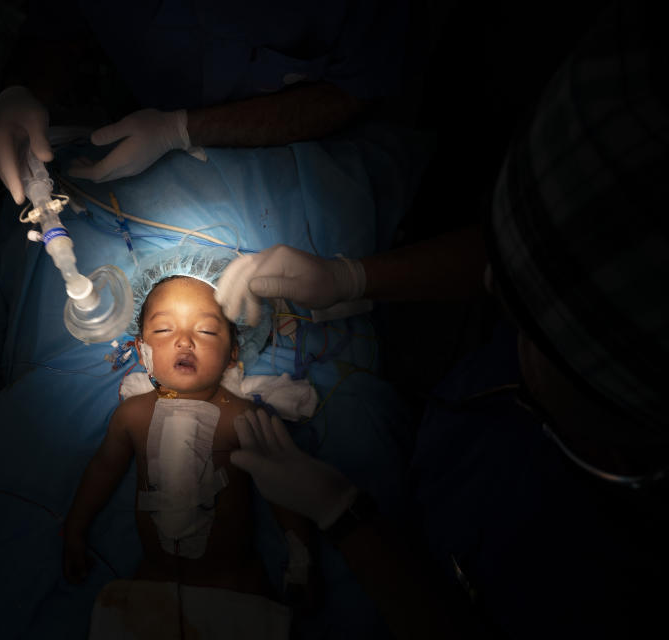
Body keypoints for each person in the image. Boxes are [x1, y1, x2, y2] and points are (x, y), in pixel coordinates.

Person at [215, 2, 669, 638]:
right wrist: (354, 277)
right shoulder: (597, 295)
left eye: (525, 316)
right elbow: (522, 260)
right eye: (502, 274)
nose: (491, 289)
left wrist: (345, 517)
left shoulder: (601, 574)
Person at [62, 256, 318, 638]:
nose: (184, 340)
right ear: (142, 349)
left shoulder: (241, 417)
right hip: (154, 583)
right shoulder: (131, 417)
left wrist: (301, 557)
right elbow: (103, 470)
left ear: (234, 353)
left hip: (234, 584)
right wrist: (75, 528)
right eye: (164, 329)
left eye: (208, 331)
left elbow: (283, 492)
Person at [0, 0, 409, 203]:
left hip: (296, 154)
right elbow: (57, 27)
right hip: (147, 141)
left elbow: (354, 91)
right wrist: (20, 92)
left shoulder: (349, 12)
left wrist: (183, 129)